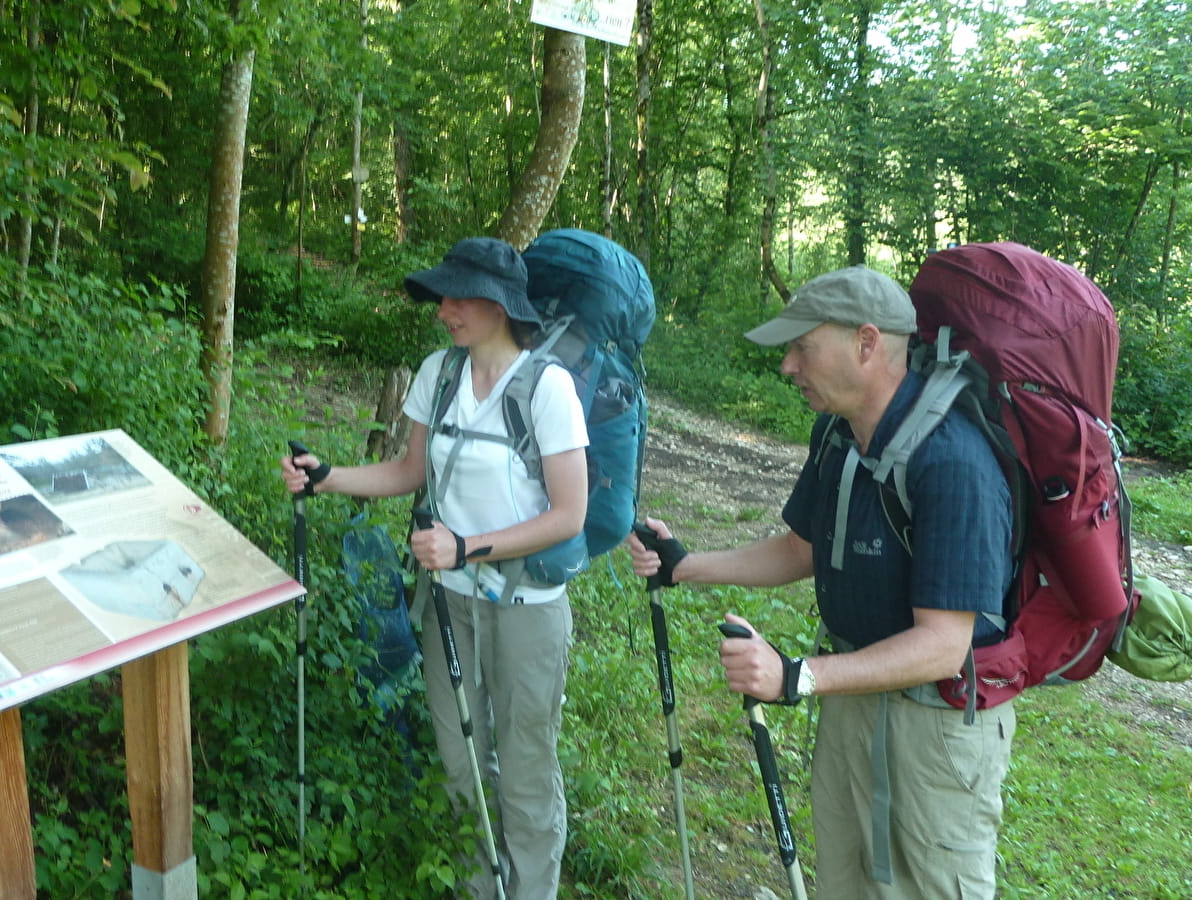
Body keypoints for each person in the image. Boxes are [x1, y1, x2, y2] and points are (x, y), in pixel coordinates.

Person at [626, 266, 1016, 899]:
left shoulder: (952, 459)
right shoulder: (838, 434)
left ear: (867, 343)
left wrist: (797, 676)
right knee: (844, 881)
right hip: (850, 702)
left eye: (803, 347)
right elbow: (802, 548)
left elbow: (945, 645)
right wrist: (684, 565)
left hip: (934, 728)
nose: (788, 366)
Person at [281, 236, 587, 900]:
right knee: (461, 763)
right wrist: (328, 477)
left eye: (457, 298)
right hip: (448, 601)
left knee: (527, 768)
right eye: (441, 297)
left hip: (527, 608)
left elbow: (570, 515)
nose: (443, 310)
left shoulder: (548, 387)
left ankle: (531, 891)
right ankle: (480, 888)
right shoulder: (439, 373)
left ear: (499, 306)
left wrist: (466, 547)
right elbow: (409, 470)